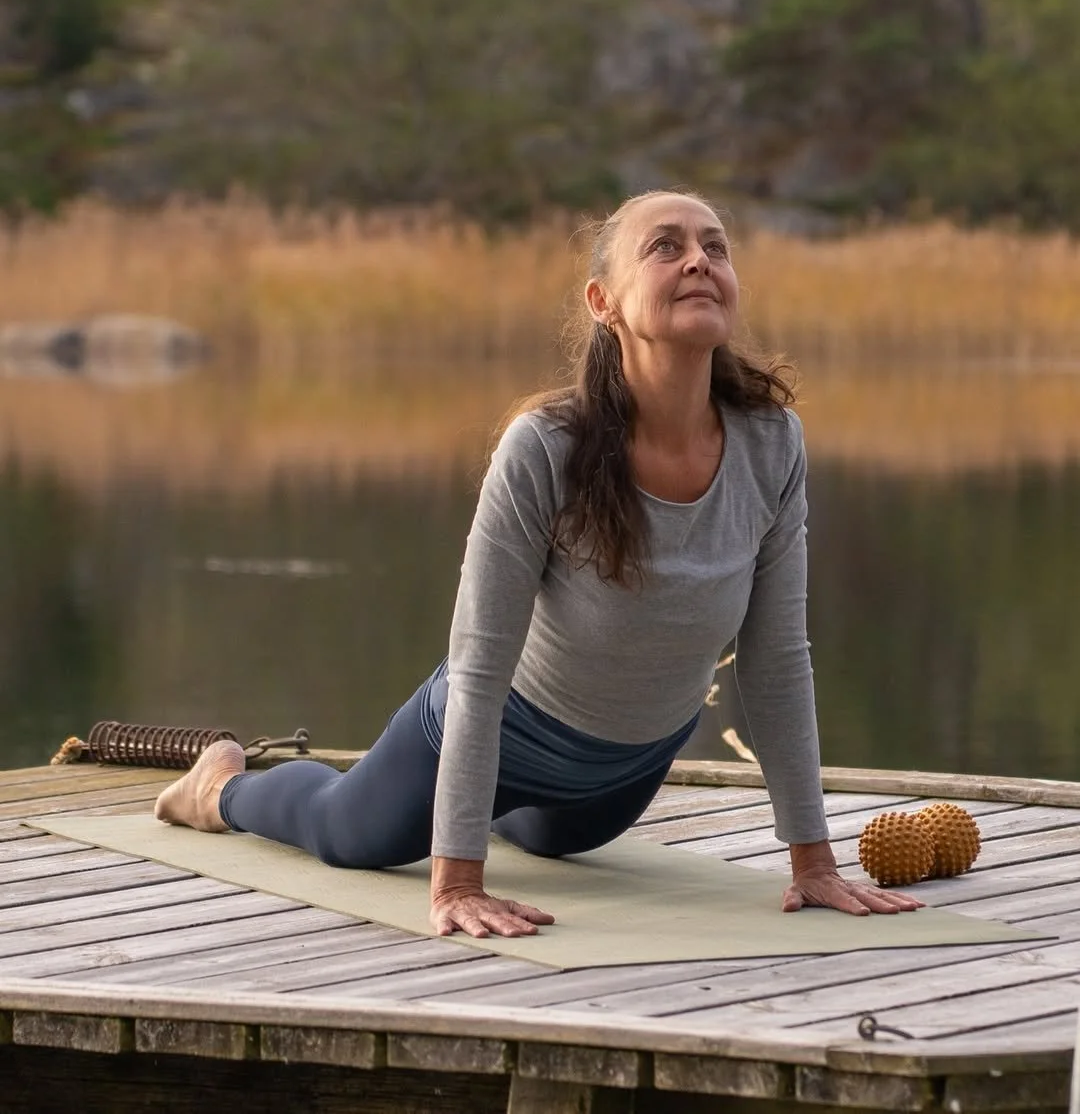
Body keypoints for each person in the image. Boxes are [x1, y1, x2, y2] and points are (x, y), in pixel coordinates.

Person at [155, 190, 924, 937]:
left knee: (557, 842)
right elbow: (480, 667)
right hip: (501, 726)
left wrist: (813, 863)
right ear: (604, 301)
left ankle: (490, 813)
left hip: (626, 769)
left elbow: (777, 660)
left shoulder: (772, 443)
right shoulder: (545, 448)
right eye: (666, 247)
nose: (699, 260)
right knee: (350, 837)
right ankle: (221, 784)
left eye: (714, 247)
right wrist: (457, 880)